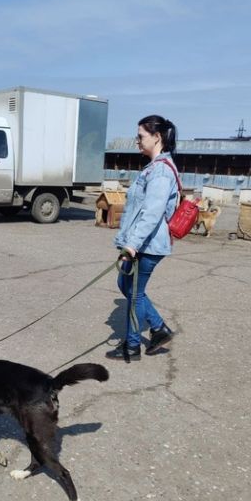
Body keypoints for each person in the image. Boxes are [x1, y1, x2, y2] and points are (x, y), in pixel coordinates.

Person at [106, 115, 179, 361]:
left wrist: (132, 245)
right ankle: (158, 329)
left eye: (141, 136)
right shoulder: (154, 168)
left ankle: (132, 346)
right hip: (143, 243)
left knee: (134, 292)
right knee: (126, 285)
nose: (137, 141)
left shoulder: (160, 172)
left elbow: (151, 214)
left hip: (148, 245)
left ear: (157, 137)